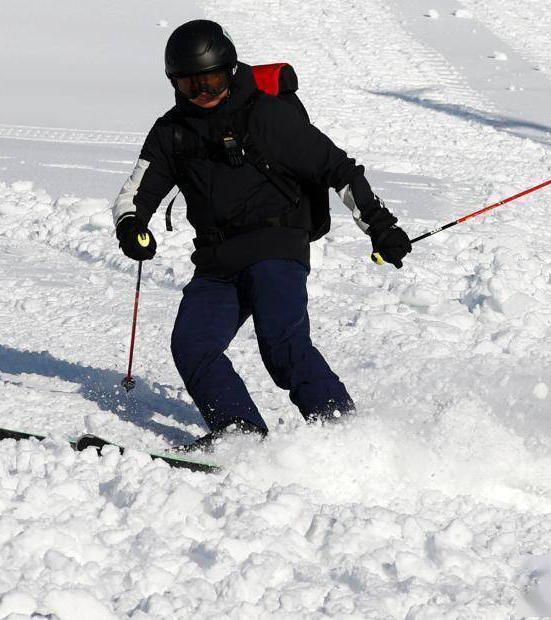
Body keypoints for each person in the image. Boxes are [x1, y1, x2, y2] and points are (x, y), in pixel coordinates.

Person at [112, 19, 412, 450]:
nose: (203, 95)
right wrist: (132, 225)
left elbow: (338, 169)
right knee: (192, 344)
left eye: (212, 81)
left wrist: (380, 227)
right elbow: (136, 191)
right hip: (217, 259)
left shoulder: (266, 117)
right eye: (190, 85)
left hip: (276, 245)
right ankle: (241, 433)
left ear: (231, 71)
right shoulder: (171, 131)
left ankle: (344, 436)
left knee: (281, 344)